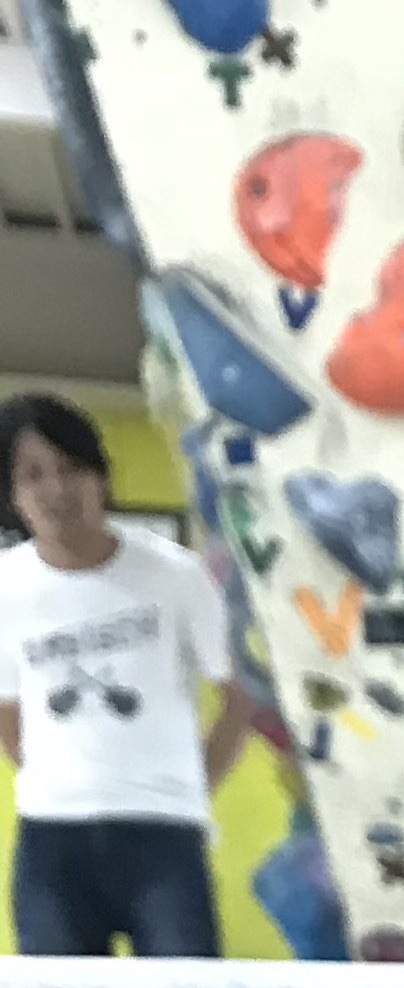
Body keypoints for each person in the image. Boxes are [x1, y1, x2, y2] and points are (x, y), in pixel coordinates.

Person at [0, 393, 251, 959]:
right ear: (13, 496)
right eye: (33, 475)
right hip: (52, 837)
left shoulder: (175, 574)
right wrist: (65, 778)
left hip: (164, 833)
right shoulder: (6, 588)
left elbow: (237, 697)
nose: (56, 489)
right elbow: (8, 712)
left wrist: (194, 783)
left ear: (101, 477)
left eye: (71, 468)